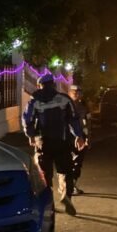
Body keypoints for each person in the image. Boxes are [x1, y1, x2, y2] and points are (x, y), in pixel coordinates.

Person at [23, 74, 86, 216]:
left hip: (43, 143)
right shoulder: (64, 99)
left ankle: (49, 203)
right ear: (53, 84)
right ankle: (66, 195)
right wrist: (78, 136)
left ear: (40, 86)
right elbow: (74, 118)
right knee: (66, 171)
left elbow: (27, 119)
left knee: (45, 175)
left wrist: (31, 135)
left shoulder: (34, 101)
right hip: (62, 141)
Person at [68, 84, 91, 195]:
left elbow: (87, 123)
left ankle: (72, 185)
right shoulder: (65, 106)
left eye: (79, 92)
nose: (77, 94)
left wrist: (88, 137)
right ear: (69, 93)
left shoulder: (83, 107)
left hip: (81, 137)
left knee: (78, 162)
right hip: (68, 138)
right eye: (74, 92)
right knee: (68, 162)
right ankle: (68, 186)